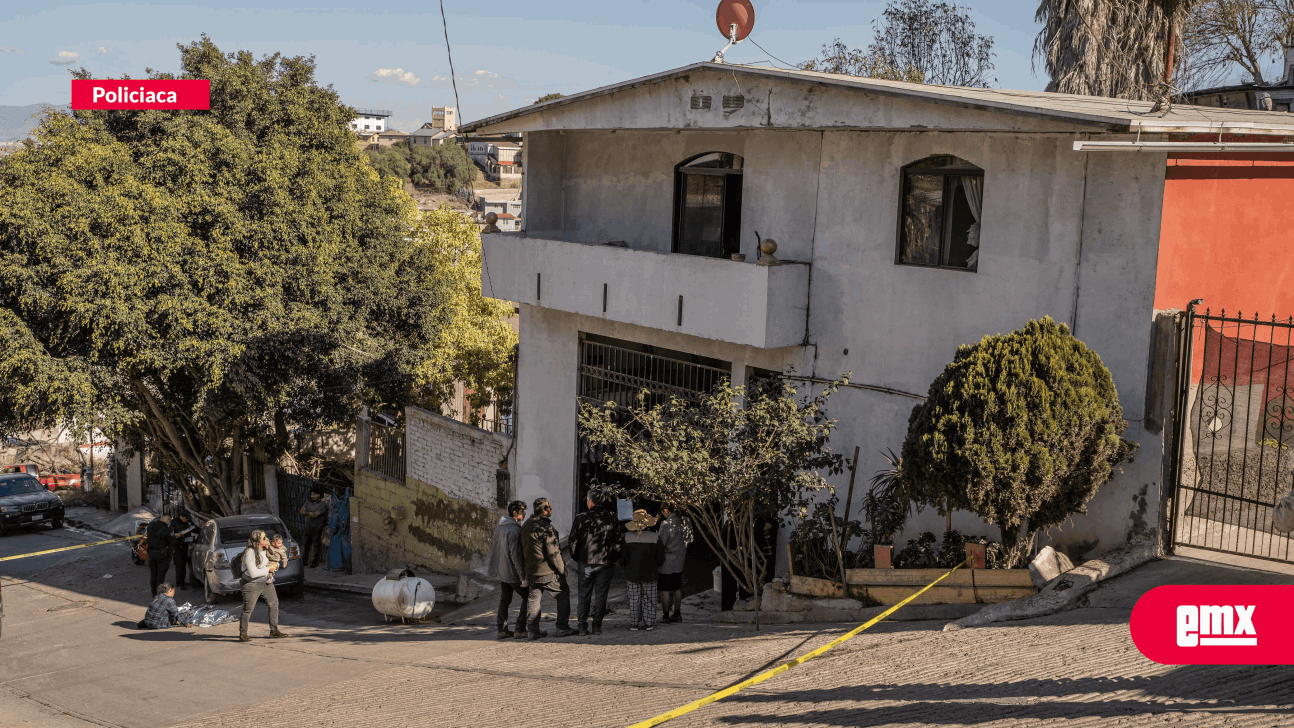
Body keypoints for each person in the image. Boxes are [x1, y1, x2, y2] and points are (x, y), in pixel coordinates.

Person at [521, 497, 576, 639]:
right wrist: (562, 569)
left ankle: (532, 630)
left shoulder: (526, 525)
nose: (551, 510)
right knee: (563, 594)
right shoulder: (546, 528)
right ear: (544, 511)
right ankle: (562, 627)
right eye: (549, 508)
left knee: (534, 599)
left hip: (532, 571)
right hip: (547, 571)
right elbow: (554, 553)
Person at [567, 492, 621, 636]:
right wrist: (613, 558)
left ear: (590, 502)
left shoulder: (580, 518)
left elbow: (572, 542)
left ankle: (582, 626)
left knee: (584, 594)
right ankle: (597, 626)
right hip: (605, 561)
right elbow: (617, 542)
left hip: (586, 561)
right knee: (601, 595)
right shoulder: (611, 517)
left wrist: (577, 557)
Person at [486, 500, 528, 640]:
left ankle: (502, 629)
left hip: (502, 571)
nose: (524, 514)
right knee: (529, 597)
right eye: (522, 511)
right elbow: (516, 556)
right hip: (512, 573)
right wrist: (523, 576)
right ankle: (520, 628)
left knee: (505, 599)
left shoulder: (501, 526)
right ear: (515, 513)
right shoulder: (514, 530)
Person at [239, 529, 288, 642]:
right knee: (248, 609)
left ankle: (274, 631)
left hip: (265, 581)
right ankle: (243, 634)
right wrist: (268, 569)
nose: (267, 539)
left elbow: (273, 561)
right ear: (257, 541)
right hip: (251, 584)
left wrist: (275, 565)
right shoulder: (250, 553)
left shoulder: (265, 549)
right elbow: (253, 573)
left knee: (274, 604)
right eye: (264, 538)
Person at [619, 509, 664, 631]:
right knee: (650, 598)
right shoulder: (655, 537)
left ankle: (634, 623)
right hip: (650, 573)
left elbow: (622, 558)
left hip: (632, 573)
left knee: (634, 599)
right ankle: (649, 623)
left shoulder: (627, 537)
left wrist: (625, 566)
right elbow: (660, 558)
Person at [657, 503, 688, 624]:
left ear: (665, 510)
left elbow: (661, 543)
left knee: (665, 589)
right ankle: (677, 613)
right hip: (680, 558)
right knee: (676, 587)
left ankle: (665, 615)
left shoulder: (666, 525)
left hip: (667, 560)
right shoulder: (684, 521)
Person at [145, 515, 174, 597]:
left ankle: (153, 591)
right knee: (160, 575)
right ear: (168, 521)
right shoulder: (166, 530)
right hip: (162, 555)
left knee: (153, 573)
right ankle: (159, 593)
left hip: (151, 553)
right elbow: (171, 541)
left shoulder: (151, 526)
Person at [170, 511, 200, 589]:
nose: (187, 520)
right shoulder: (174, 522)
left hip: (186, 546)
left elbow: (196, 529)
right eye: (185, 518)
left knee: (184, 565)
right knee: (179, 566)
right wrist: (177, 536)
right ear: (181, 516)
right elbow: (170, 536)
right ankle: (179, 583)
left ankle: (183, 581)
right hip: (177, 547)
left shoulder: (188, 521)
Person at [299, 490, 328, 568]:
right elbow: (301, 511)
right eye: (312, 494)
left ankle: (316, 561)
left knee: (316, 545)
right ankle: (304, 560)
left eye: (314, 494)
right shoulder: (308, 502)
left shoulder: (322, 504)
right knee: (306, 545)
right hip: (307, 527)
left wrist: (307, 513)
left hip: (317, 528)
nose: (312, 496)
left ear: (319, 495)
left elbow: (315, 515)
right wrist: (310, 513)